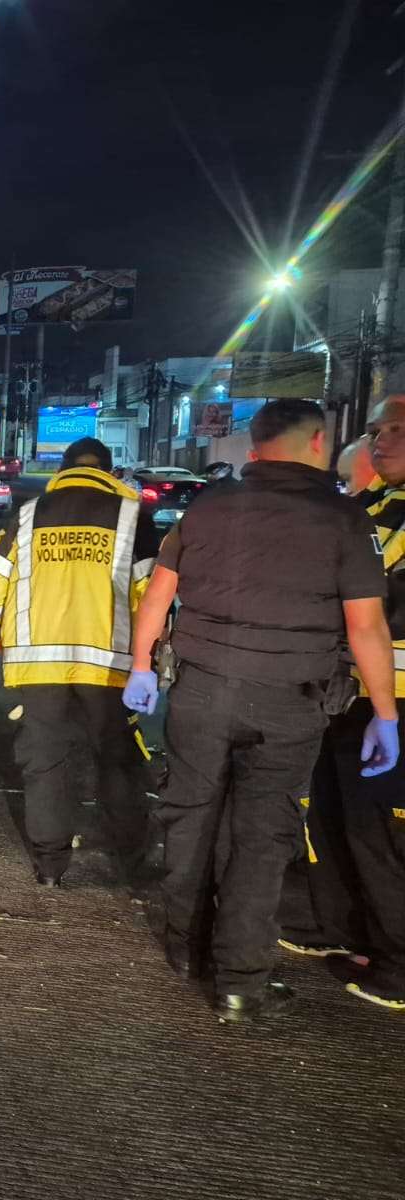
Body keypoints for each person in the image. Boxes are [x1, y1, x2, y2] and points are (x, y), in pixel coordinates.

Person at [123, 399, 399, 1023]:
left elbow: (157, 597)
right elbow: (366, 627)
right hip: (289, 701)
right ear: (318, 442)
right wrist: (384, 712)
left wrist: (142, 666)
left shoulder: (207, 506)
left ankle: (184, 950)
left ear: (255, 446)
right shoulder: (344, 520)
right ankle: (238, 983)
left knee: (189, 818)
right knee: (263, 836)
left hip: (199, 692)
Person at [0, 437, 159, 886]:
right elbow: (151, 595)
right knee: (118, 759)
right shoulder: (134, 518)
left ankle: (50, 866)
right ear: (110, 471)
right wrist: (147, 659)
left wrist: (0, 630)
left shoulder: (29, 514)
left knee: (45, 761)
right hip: (111, 666)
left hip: (38, 663)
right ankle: (131, 865)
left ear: (64, 469)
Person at [287, 395, 405, 1010]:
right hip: (354, 695)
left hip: (393, 703)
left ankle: (398, 963)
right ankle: (341, 927)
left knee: (381, 834)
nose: (381, 441)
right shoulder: (376, 510)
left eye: (396, 430)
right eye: (375, 430)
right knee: (335, 820)